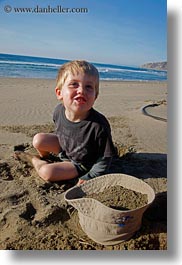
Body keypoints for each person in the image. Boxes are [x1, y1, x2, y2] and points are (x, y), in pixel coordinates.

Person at [14, 60, 116, 185]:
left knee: (47, 172)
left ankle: (35, 160)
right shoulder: (58, 111)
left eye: (89, 87)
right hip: (65, 148)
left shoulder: (98, 125)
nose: (81, 90)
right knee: (38, 139)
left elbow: (105, 158)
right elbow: (61, 132)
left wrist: (90, 176)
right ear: (59, 93)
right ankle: (46, 157)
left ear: (95, 96)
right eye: (74, 84)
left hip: (81, 163)